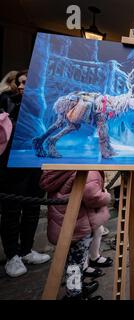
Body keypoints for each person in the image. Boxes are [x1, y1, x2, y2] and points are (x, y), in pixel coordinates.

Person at [0, 70, 51, 278]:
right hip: (12, 166)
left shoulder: (40, 103)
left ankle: (26, 250)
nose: (22, 86)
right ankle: (12, 256)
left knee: (32, 207)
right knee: (12, 210)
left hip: (34, 163)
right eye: (20, 82)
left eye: (26, 83)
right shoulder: (7, 101)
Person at [40, 170, 110, 299]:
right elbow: (93, 196)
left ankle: (77, 287)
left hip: (65, 222)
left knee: (74, 261)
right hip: (78, 224)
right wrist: (106, 196)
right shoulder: (86, 168)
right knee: (76, 262)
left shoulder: (60, 168)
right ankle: (74, 295)